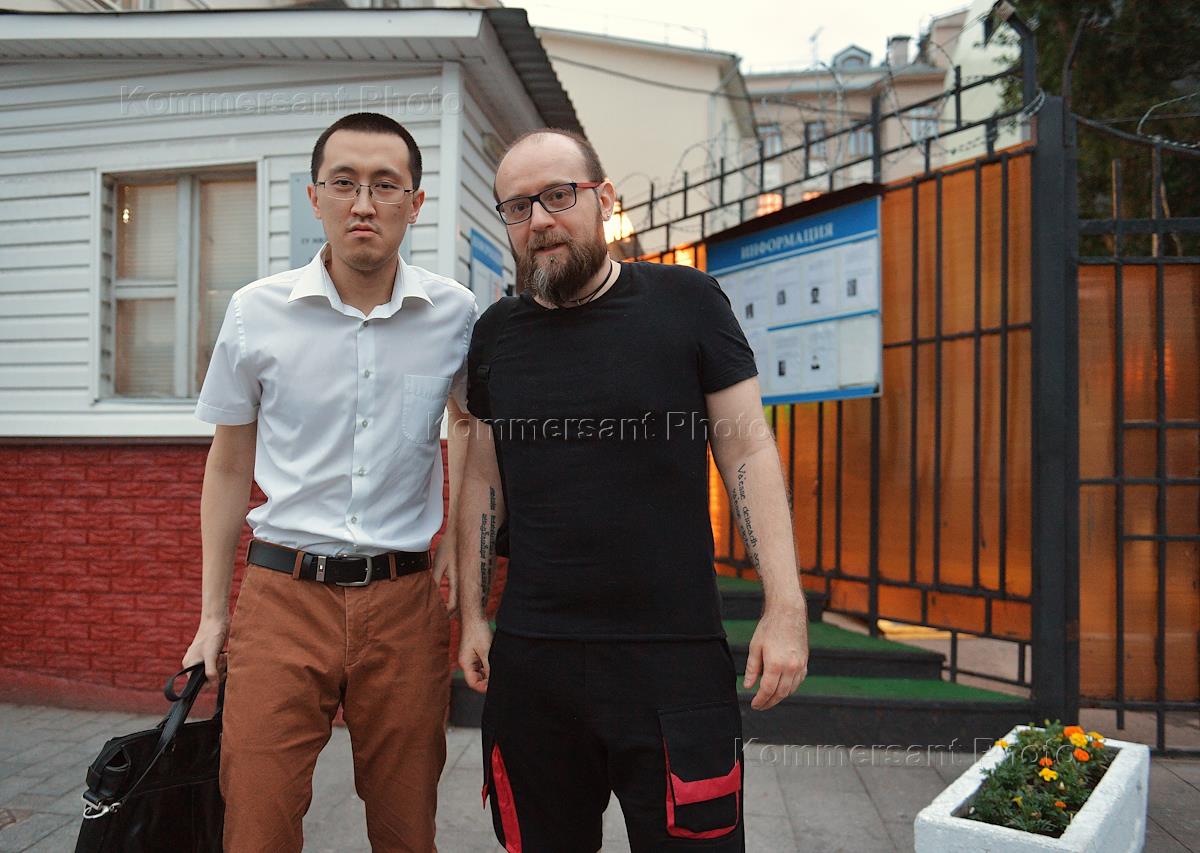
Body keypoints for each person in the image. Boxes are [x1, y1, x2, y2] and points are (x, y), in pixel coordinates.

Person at [455, 128, 810, 852]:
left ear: (605, 199)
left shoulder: (688, 301)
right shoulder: (496, 334)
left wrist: (785, 604)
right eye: (518, 207)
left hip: (674, 662)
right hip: (535, 662)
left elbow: (747, 447)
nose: (539, 220)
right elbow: (483, 477)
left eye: (559, 195)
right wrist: (471, 616)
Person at [182, 112, 477, 853]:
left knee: (407, 828)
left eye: (386, 185)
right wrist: (212, 616)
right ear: (314, 198)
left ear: (416, 202)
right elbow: (228, 464)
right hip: (282, 597)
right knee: (256, 822)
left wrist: (460, 546)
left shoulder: (455, 314)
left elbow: (472, 430)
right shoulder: (256, 312)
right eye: (344, 183)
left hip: (404, 602)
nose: (363, 203)